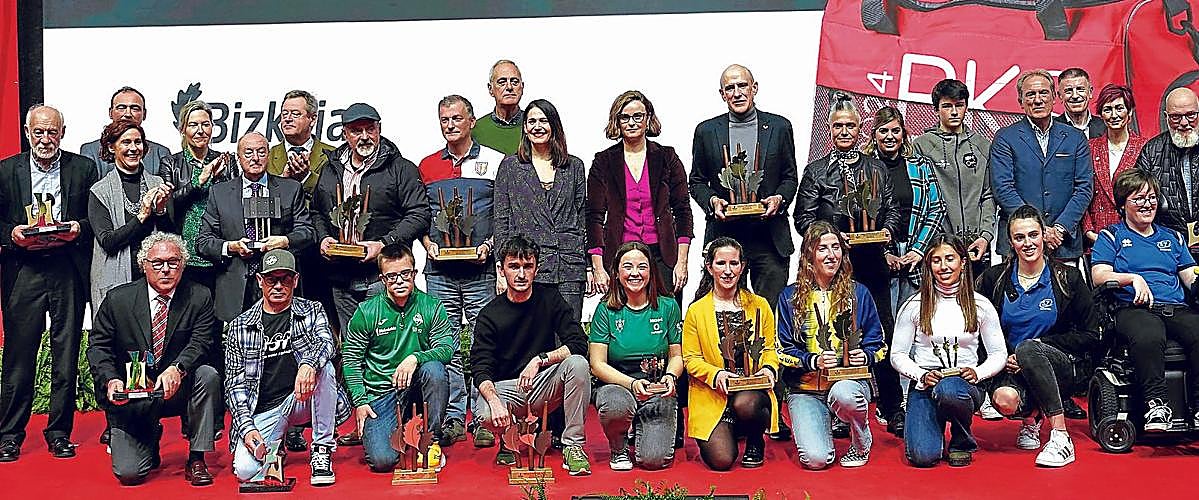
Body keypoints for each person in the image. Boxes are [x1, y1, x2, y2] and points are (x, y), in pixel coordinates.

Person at [796, 92, 905, 436]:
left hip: (872, 264)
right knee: (831, 332)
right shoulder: (816, 171)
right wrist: (830, 239)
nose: (844, 131)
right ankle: (835, 407)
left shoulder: (877, 169)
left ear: (861, 130)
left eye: (851, 126)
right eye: (838, 126)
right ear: (829, 129)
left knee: (880, 332)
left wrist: (888, 230)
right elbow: (803, 219)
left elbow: (895, 211)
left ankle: (891, 406)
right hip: (830, 267)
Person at [0, 105, 97, 462]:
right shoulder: (6, 170)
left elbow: (93, 219)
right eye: (38, 132)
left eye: (51, 132)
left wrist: (78, 229)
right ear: (27, 133)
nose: (45, 139)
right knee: (18, 356)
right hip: (23, 269)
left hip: (65, 269)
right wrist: (11, 235)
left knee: (66, 354)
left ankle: (59, 432)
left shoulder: (82, 168)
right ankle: (9, 434)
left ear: (63, 133)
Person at [85, 232, 221, 485]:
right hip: (132, 395)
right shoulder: (118, 299)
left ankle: (197, 457)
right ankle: (149, 436)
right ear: (143, 265)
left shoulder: (199, 296)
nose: (166, 269)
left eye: (173, 262)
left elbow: (202, 342)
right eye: (157, 263)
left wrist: (177, 369)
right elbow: (98, 347)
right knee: (129, 474)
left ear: (183, 264)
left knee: (207, 375)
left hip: (178, 389)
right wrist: (111, 380)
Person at [977, 205, 1098, 467]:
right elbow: (978, 333)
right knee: (1005, 400)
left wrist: (1039, 346)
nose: (1028, 243)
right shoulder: (993, 279)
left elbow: (1091, 334)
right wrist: (1001, 358)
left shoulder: (1069, 277)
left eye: (1033, 235)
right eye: (1020, 238)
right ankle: (1030, 418)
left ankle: (1060, 437)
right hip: (1012, 366)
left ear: (1044, 235)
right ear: (1010, 242)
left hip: (1061, 365)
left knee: (1030, 348)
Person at [417, 95, 505, 448]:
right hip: (440, 271)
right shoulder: (426, 166)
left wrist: (491, 246)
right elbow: (418, 214)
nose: (450, 124)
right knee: (447, 345)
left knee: (484, 342)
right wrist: (427, 244)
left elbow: (504, 211)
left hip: (481, 269)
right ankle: (453, 417)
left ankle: (484, 415)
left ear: (471, 121)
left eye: (457, 118)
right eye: (444, 119)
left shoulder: (494, 161)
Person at [225, 249, 351, 486]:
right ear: (260, 281)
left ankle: (322, 449)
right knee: (245, 471)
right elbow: (234, 386)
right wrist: (246, 428)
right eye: (272, 279)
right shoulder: (239, 327)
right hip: (265, 409)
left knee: (325, 370)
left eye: (285, 279)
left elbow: (327, 343)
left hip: (302, 398)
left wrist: (308, 364)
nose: (278, 286)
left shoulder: (312, 310)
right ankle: (277, 441)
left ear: (295, 280)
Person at [470, 235, 592, 475]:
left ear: (536, 268)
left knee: (577, 364)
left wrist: (540, 360)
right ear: (501, 269)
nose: (521, 274)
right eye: (514, 266)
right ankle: (507, 440)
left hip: (542, 384)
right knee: (484, 410)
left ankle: (573, 446)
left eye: (528, 266)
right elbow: (480, 367)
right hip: (508, 389)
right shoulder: (489, 314)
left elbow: (578, 342)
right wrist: (495, 402)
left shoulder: (550, 299)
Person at [1091, 169, 1199, 432]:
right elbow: (1099, 275)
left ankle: (1198, 407)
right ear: (1123, 204)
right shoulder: (1111, 236)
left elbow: (1190, 276)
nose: (1147, 204)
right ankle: (1156, 405)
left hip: (1175, 307)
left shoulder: (1172, 237)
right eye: (1138, 198)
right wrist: (1132, 278)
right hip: (1133, 308)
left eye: (1151, 197)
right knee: (1150, 334)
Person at [313, 103, 430, 337]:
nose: (364, 137)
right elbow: (316, 212)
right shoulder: (330, 169)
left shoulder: (401, 168)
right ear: (345, 133)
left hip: (383, 275)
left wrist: (384, 244)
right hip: (340, 277)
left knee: (389, 344)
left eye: (370, 129)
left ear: (379, 129)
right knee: (352, 345)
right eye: (356, 131)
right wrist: (323, 238)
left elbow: (419, 214)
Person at [688, 64, 798, 310]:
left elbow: (790, 177)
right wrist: (712, 201)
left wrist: (780, 198)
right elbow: (696, 180)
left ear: (754, 88)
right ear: (722, 94)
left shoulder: (780, 127)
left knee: (767, 314)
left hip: (769, 238)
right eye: (730, 88)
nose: (737, 93)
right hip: (725, 235)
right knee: (723, 312)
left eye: (742, 86)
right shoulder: (706, 131)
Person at [777, 222, 885, 469]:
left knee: (844, 394)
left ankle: (860, 438)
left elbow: (879, 344)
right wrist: (811, 361)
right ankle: (820, 421)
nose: (831, 255)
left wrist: (866, 356)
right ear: (809, 255)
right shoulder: (789, 297)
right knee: (816, 460)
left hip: (849, 383)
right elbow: (781, 350)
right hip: (806, 389)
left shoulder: (859, 293)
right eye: (822, 248)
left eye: (836, 247)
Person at [891, 234, 1007, 467]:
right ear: (929, 265)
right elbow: (897, 355)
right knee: (923, 457)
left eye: (950, 259)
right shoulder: (913, 305)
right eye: (936, 260)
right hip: (925, 382)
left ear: (963, 262)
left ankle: (961, 440)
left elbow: (998, 354)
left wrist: (979, 373)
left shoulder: (980, 304)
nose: (943, 266)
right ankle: (933, 425)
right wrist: (920, 374)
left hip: (963, 383)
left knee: (950, 390)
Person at [342, 243, 455, 473]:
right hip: (381, 393)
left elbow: (446, 349)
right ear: (383, 280)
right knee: (382, 461)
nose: (400, 281)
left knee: (434, 369)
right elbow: (351, 359)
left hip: (416, 388)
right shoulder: (366, 312)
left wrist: (415, 357)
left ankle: (431, 440)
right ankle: (400, 428)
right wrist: (361, 402)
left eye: (405, 273)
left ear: (414, 273)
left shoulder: (432, 306)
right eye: (392, 276)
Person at [587, 90, 693, 304]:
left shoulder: (667, 157)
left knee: (666, 322)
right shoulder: (604, 161)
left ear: (648, 118)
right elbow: (594, 217)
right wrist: (598, 267)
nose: (632, 123)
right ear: (617, 121)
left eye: (638, 116)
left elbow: (683, 211)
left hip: (663, 257)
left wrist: (682, 262)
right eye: (624, 117)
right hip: (619, 256)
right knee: (620, 324)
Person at [682, 237, 779, 471]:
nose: (728, 271)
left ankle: (755, 439)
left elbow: (769, 349)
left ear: (742, 266)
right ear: (709, 267)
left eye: (734, 263)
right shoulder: (696, 311)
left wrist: (768, 368)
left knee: (746, 402)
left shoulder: (760, 305)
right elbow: (691, 359)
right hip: (713, 393)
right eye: (721, 263)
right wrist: (716, 375)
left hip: (749, 391)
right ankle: (733, 428)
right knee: (721, 461)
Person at [196, 131, 314, 323]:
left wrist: (284, 241)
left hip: (279, 282)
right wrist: (232, 247)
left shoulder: (290, 189)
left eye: (261, 152)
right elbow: (203, 242)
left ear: (268, 154)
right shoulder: (219, 193)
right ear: (238, 157)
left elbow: (308, 232)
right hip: (235, 286)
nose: (255, 158)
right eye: (248, 153)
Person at [588, 241, 683, 471]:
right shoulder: (605, 309)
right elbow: (597, 364)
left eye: (642, 266)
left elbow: (677, 356)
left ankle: (643, 426)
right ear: (617, 273)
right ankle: (618, 447)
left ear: (651, 271)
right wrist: (632, 384)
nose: (634, 273)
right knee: (616, 404)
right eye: (627, 266)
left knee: (653, 461)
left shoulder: (668, 306)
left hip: (658, 388)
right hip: (618, 385)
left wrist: (670, 377)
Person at [493, 99, 588, 320]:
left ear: (554, 126)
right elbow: (501, 220)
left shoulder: (574, 166)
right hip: (526, 266)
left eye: (543, 121)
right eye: (532, 121)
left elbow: (581, 218)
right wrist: (501, 268)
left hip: (568, 266)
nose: (537, 126)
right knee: (530, 338)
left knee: (567, 337)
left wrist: (588, 268)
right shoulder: (511, 167)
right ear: (524, 128)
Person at [990, 69, 1094, 261]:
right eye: (1030, 94)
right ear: (1020, 102)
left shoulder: (1076, 138)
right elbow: (1003, 189)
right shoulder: (1005, 138)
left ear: (1054, 97)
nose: (1038, 100)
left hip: (1063, 243)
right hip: (1019, 244)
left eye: (1044, 93)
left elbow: (1084, 189)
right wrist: (1036, 229)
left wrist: (1060, 229)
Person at [862, 106, 946, 325]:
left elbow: (937, 208)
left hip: (914, 253)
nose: (890, 136)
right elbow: (859, 213)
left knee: (913, 322)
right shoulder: (864, 168)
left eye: (895, 130)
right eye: (883, 131)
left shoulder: (921, 166)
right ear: (874, 135)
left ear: (904, 134)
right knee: (879, 322)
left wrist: (918, 250)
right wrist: (885, 252)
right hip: (877, 254)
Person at [912, 78, 997, 278]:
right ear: (936, 109)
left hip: (977, 246)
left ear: (966, 107)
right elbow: (922, 200)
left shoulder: (982, 146)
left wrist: (985, 236)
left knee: (976, 302)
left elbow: (987, 195)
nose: (953, 112)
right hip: (938, 244)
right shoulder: (922, 146)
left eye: (959, 106)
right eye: (947, 106)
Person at [88, 120, 174, 310]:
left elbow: (171, 239)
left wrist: (160, 211)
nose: (134, 148)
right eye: (126, 142)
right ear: (112, 147)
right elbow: (108, 242)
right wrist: (142, 215)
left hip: (154, 280)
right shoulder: (100, 191)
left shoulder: (158, 184)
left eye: (138, 142)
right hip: (116, 283)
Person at [160, 100, 233, 291]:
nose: (200, 130)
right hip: (184, 254)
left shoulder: (226, 161)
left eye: (205, 124)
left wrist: (218, 182)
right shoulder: (170, 162)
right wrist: (198, 181)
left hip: (218, 251)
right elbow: (168, 206)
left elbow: (234, 205)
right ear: (182, 129)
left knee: (218, 316)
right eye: (193, 125)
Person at [1135, 87, 1199, 259]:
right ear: (1166, 117)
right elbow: (1135, 202)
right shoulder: (1151, 150)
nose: (1184, 122)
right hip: (1166, 245)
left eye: (1191, 115)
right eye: (1176, 117)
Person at [1084, 84, 1148, 246]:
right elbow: (1078, 190)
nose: (1114, 115)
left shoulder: (1145, 147)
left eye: (1119, 108)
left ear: (1130, 112)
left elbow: (1150, 195)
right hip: (1097, 238)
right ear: (1101, 115)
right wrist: (1089, 232)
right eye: (1107, 109)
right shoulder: (1089, 147)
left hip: (1136, 236)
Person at [79, 86, 173, 177]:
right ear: (110, 113)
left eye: (135, 108)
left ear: (144, 114)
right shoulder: (90, 151)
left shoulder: (161, 153)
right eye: (121, 108)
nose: (128, 114)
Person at [268, 90, 335, 198]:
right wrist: (284, 181)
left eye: (295, 114)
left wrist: (307, 177)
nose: (287, 119)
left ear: (312, 119)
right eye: (284, 114)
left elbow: (335, 195)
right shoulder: (268, 156)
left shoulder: (332, 155)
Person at [473, 60, 525, 155]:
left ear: (522, 87)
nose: (509, 87)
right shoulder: (476, 129)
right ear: (490, 89)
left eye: (515, 82)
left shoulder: (535, 126)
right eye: (502, 82)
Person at [1053, 68, 1106, 140]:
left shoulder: (1105, 126)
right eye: (1068, 91)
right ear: (1060, 96)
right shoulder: (1052, 129)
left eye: (1080, 89)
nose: (1075, 96)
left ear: (1090, 92)